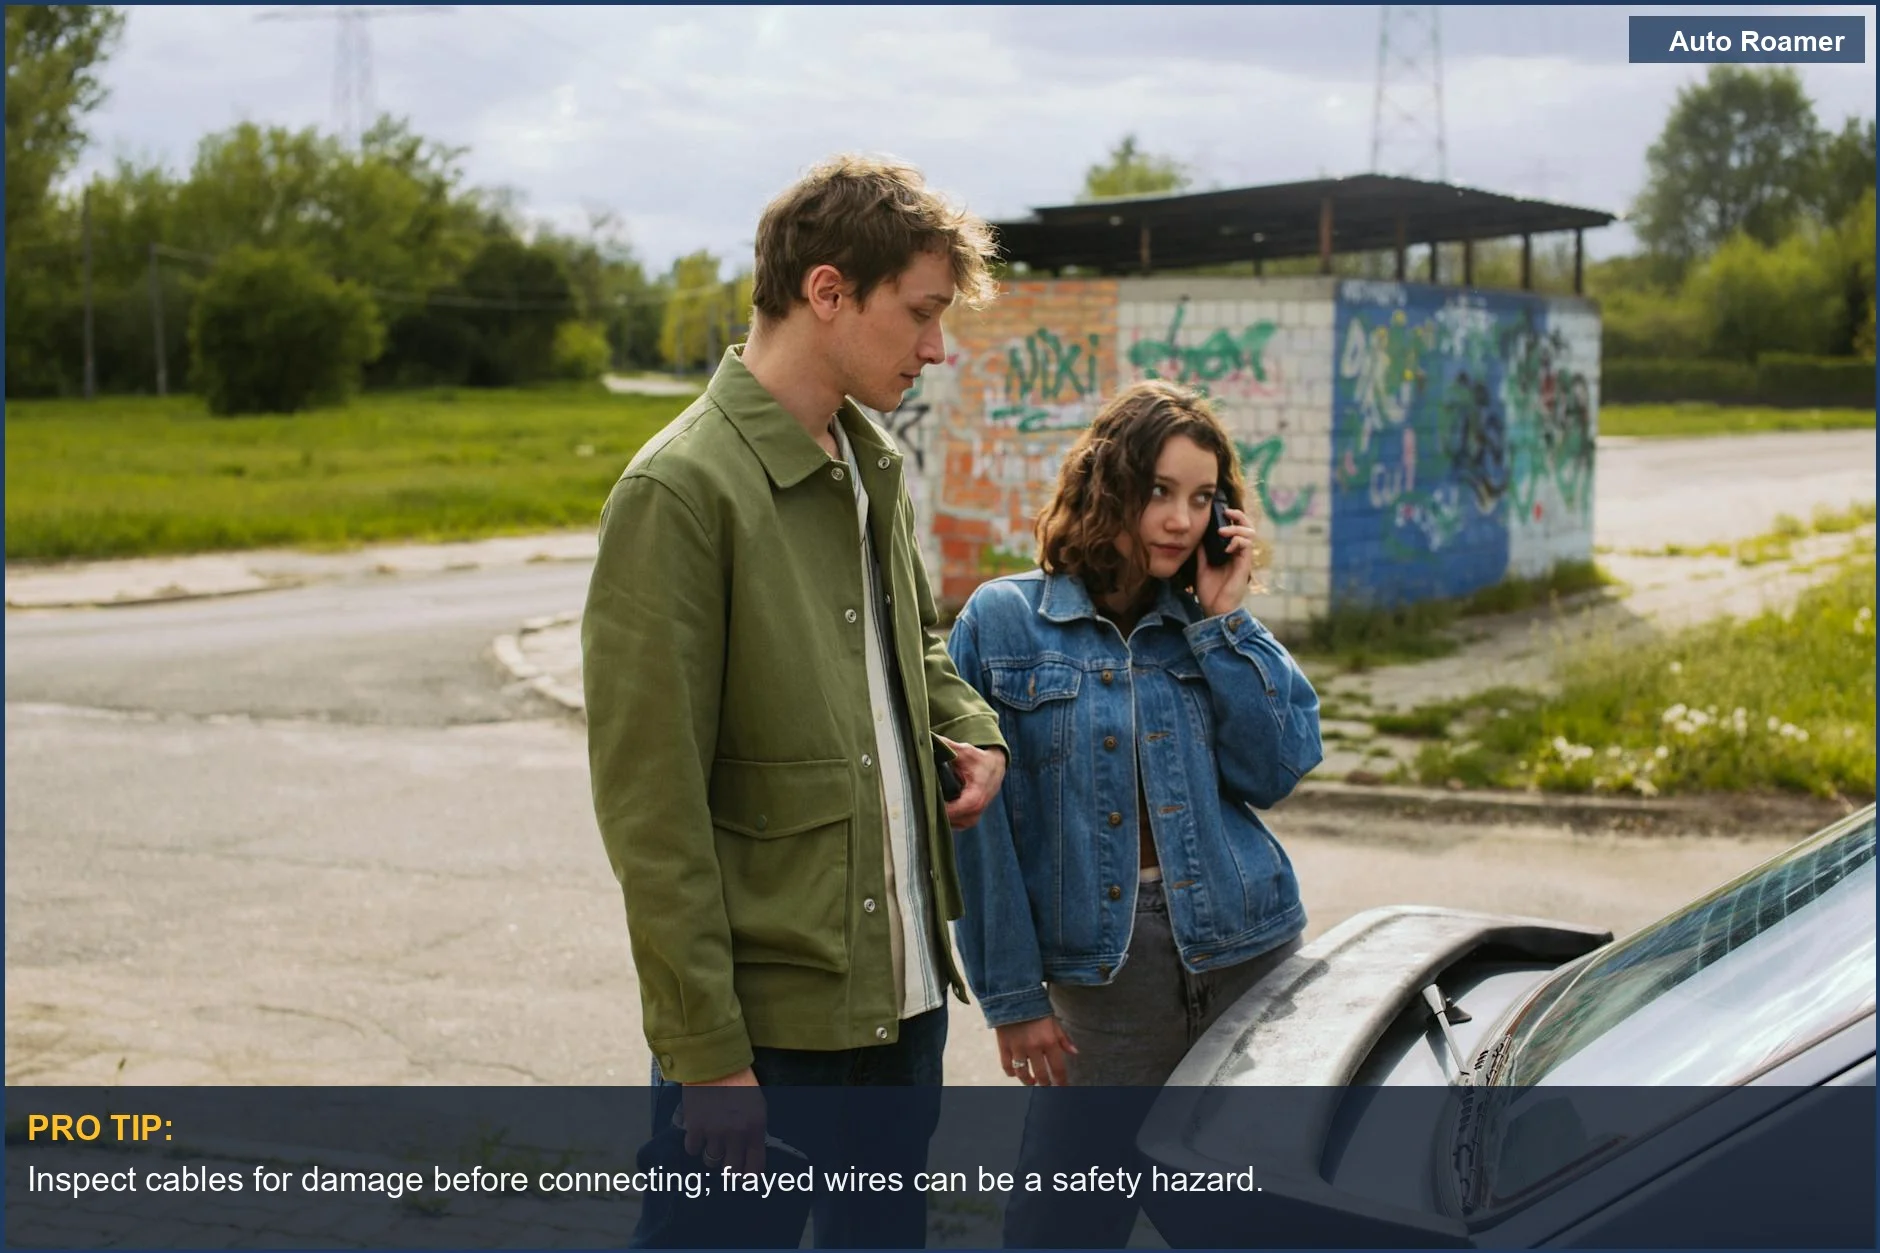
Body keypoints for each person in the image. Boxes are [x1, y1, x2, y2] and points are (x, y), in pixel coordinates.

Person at [581, 154, 1010, 1249]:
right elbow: (651, 809)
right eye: (920, 313)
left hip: (903, 1003)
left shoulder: (871, 460)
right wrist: (707, 1054)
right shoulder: (679, 491)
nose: (935, 346)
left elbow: (914, 641)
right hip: (764, 1038)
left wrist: (968, 726)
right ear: (828, 291)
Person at [945, 379, 1323, 1248]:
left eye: (1202, 497)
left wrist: (1225, 621)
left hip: (1249, 955)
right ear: (1107, 482)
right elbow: (975, 835)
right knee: (1062, 1224)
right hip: (1108, 985)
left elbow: (1278, 767)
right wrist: (1013, 996)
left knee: (1246, 1222)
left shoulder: (1203, 625)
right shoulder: (1004, 623)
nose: (1181, 520)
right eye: (1159, 490)